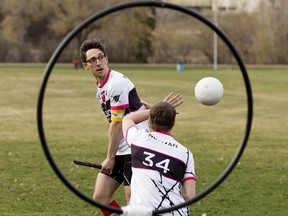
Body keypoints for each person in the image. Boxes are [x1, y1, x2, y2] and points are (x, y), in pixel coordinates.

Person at [80, 38, 149, 216]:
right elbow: (126, 108)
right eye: (92, 60)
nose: (98, 62)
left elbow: (116, 124)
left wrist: (110, 157)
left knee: (133, 203)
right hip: (121, 147)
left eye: (101, 57)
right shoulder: (101, 87)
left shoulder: (116, 83)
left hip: (136, 147)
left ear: (107, 59)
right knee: (101, 196)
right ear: (85, 66)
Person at [122, 97, 196, 215]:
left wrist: (153, 110)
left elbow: (127, 118)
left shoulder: (138, 139)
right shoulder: (185, 154)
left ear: (150, 120)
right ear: (173, 122)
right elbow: (190, 195)